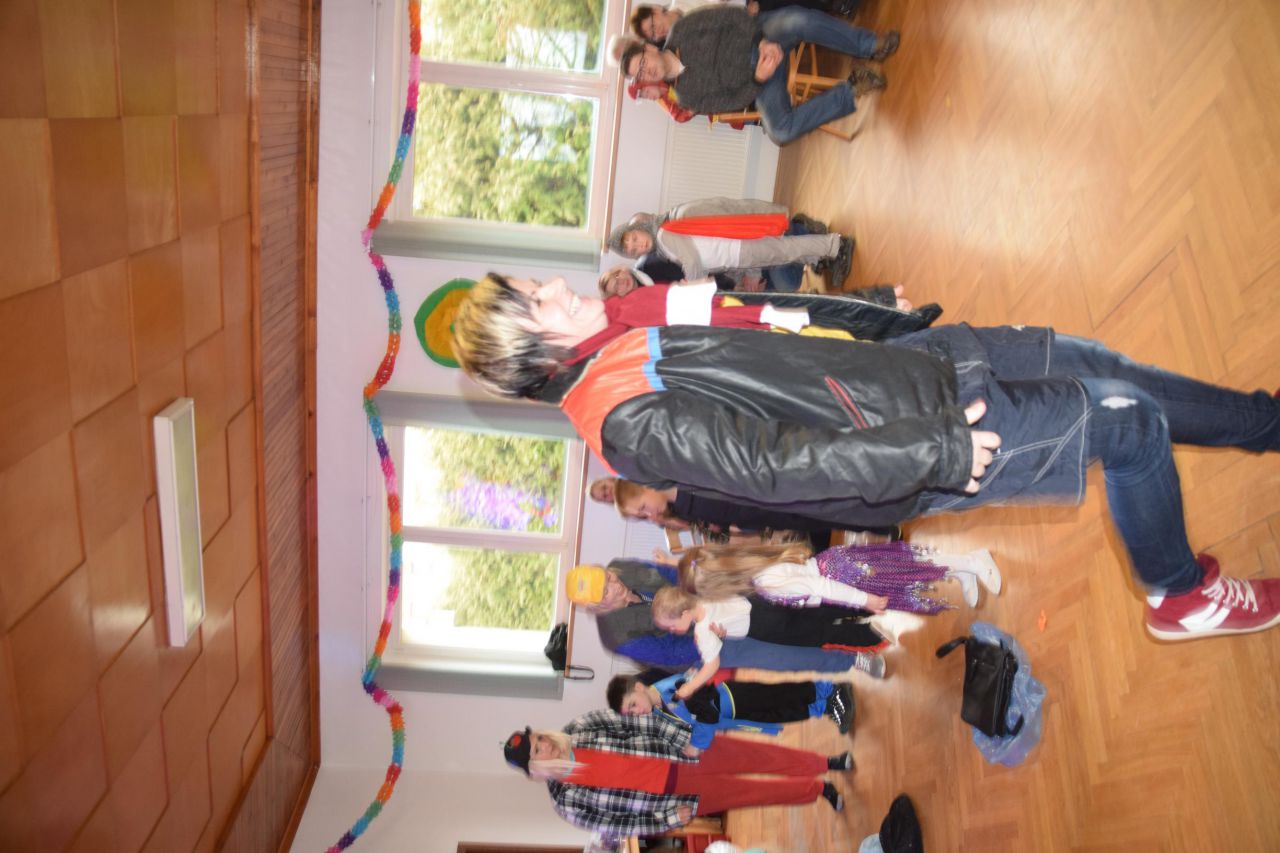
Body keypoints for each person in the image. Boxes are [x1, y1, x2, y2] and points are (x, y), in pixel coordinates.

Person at [451, 274, 1280, 642]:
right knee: (1127, 422)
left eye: (530, 285)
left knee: (1104, 366)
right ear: (534, 358)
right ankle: (1180, 592)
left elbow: (759, 318)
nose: (551, 289)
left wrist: (874, 316)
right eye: (534, 305)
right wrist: (939, 448)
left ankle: (1266, 421)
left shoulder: (625, 323)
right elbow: (781, 465)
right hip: (923, 434)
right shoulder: (622, 417)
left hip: (911, 365)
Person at [502, 712, 851, 837]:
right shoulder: (566, 803)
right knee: (754, 793)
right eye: (536, 751)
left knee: (759, 756)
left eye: (538, 739)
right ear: (534, 769)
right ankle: (818, 790)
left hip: (683, 754)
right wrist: (669, 818)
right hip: (678, 796)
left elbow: (640, 721)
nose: (544, 745)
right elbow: (621, 825)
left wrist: (684, 739)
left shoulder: (579, 726)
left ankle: (826, 763)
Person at [616, 6, 900, 145]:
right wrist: (760, 78)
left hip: (762, 34)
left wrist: (761, 42)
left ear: (647, 48)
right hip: (760, 81)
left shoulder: (681, 31)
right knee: (780, 132)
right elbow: (734, 101)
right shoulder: (686, 96)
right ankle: (853, 87)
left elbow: (730, 16)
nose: (646, 71)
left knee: (799, 20)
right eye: (640, 75)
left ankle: (869, 46)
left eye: (642, 63)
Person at [569, 560, 886, 674]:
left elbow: (671, 572)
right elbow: (672, 654)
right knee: (785, 655)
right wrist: (707, 629)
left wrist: (703, 587)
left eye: (608, 577)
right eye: (605, 592)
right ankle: (852, 658)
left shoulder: (624, 566)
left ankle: (862, 606)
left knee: (790, 606)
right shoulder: (617, 637)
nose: (615, 585)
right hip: (711, 643)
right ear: (595, 607)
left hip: (715, 597)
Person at [651, 586, 887, 702]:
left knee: (811, 640)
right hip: (763, 607)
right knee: (812, 622)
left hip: (765, 629)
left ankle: (864, 639)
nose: (673, 631)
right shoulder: (705, 595)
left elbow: (712, 665)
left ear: (684, 613)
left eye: (671, 626)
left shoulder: (702, 631)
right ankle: (864, 613)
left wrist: (690, 687)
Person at [678, 541, 1002, 611]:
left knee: (910, 567)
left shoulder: (768, 582)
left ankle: (972, 560)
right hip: (840, 566)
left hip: (848, 578)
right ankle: (963, 569)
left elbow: (820, 586)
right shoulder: (755, 569)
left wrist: (865, 600)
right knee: (908, 567)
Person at [607, 198, 855, 287]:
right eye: (632, 249)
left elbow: (693, 262)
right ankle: (823, 254)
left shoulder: (664, 235)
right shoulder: (665, 233)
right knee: (784, 253)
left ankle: (836, 246)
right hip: (735, 252)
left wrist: (692, 285)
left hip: (738, 246)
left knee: (784, 251)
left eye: (634, 239)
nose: (638, 246)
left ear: (639, 229)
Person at [607, 671, 855, 746]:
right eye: (631, 714)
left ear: (639, 687)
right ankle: (825, 707)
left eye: (632, 705)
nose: (637, 713)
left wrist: (697, 744)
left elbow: (706, 714)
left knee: (781, 697)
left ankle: (830, 690)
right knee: (780, 715)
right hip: (732, 717)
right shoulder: (660, 710)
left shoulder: (671, 687)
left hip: (733, 698)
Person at [631, 0, 859, 45]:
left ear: (655, 10)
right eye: (653, 35)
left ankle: (835, 4)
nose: (658, 32)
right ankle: (836, 4)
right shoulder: (685, 40)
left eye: (653, 25)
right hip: (749, 30)